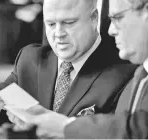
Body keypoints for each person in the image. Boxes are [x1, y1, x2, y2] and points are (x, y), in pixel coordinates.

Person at [0, 0, 136, 127]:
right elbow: (2, 111)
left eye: (69, 23)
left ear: (94, 18)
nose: (58, 33)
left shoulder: (125, 73)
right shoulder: (29, 60)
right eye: (51, 24)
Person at [26, 0, 148, 138]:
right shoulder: (140, 75)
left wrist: (66, 127)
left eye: (118, 18)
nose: (111, 30)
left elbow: (135, 129)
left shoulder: (126, 74)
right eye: (51, 24)